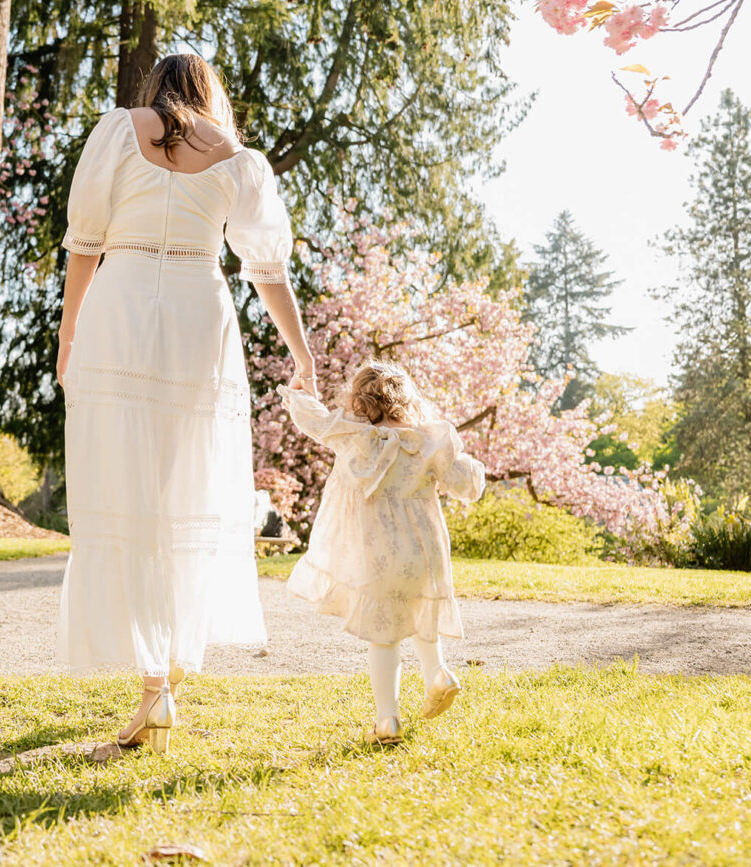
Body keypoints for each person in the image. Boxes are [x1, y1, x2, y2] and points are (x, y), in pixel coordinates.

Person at [57, 53, 316, 755]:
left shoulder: (118, 130)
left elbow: (85, 245)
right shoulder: (239, 159)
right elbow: (267, 269)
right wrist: (303, 352)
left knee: (126, 488)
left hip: (123, 304)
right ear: (210, 94)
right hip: (200, 312)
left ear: (157, 90)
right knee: (184, 491)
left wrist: (68, 336)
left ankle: (154, 687)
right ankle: (163, 676)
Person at [282, 359, 486, 744]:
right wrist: (474, 469)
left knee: (385, 637)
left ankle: (387, 720)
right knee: (421, 615)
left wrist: (298, 389)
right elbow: (465, 483)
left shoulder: (353, 436)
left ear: (358, 400)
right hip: (423, 554)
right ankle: (438, 673)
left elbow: (313, 419)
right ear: (407, 400)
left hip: (377, 558)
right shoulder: (427, 439)